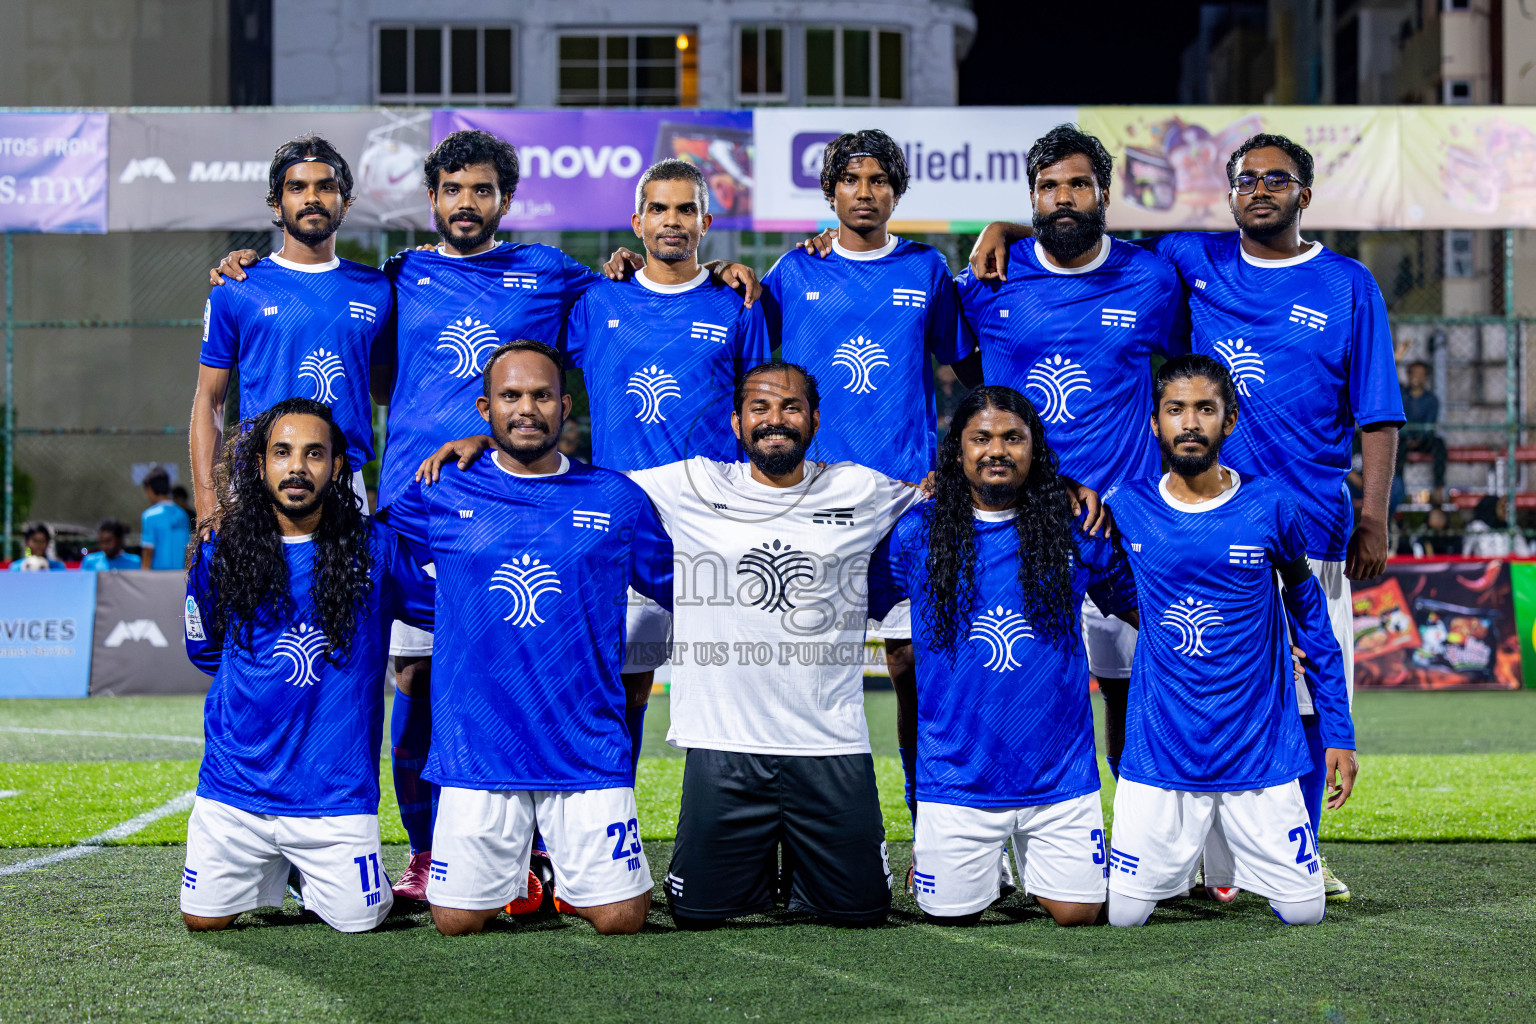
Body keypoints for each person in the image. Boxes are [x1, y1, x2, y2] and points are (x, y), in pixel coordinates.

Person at [209, 129, 760, 903]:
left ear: (505, 200)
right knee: (412, 673)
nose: (466, 204)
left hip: (525, 510)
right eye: (452, 191)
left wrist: (699, 269)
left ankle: (561, 851)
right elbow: (338, 317)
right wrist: (245, 265)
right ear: (431, 200)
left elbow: (628, 292)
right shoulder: (397, 278)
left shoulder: (550, 273)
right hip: (411, 508)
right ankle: (428, 853)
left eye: (481, 191)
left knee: (566, 676)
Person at [970, 132, 1403, 902]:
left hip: (1303, 523)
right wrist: (1002, 229)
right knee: (1106, 686)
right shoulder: (1190, 262)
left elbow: (1377, 412)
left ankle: (1292, 854)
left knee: (1293, 692)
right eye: (1247, 179)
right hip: (1153, 523)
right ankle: (1142, 854)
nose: (1260, 189)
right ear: (1229, 192)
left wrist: (1374, 515)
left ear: (1306, 192)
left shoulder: (1341, 283)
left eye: (1278, 179)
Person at [379, 340, 672, 937]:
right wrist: (451, 613)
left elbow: (675, 583)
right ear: (485, 410)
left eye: (541, 395)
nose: (526, 408)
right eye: (510, 396)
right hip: (477, 748)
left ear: (565, 406)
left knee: (621, 920)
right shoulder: (440, 488)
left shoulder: (616, 497)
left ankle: (558, 872)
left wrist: (647, 661)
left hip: (583, 743)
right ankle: (524, 872)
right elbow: (379, 553)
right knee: (456, 921)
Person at [953, 124, 1185, 785]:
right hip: (1022, 527)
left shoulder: (1152, 279)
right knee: (1015, 696)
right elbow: (963, 367)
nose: (1063, 198)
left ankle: (1166, 842)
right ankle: (1002, 838)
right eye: (1048, 187)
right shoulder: (987, 281)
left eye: (1077, 184)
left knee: (1144, 691)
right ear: (1031, 197)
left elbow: (1191, 368)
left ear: (1104, 192)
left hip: (1127, 525)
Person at [767, 129, 982, 835]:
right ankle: (812, 836)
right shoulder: (791, 273)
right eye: (852, 180)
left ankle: (934, 831)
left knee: (915, 667)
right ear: (830, 192)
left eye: (879, 180)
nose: (866, 192)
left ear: (896, 191)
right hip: (814, 502)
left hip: (906, 503)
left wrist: (956, 464)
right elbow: (737, 355)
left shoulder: (926, 269)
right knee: (807, 676)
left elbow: (970, 373)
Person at [1102, 355, 1356, 928]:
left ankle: (1233, 869)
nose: (1189, 423)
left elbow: (1310, 615)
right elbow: (1111, 589)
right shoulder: (1127, 508)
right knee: (1123, 917)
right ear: (1154, 422)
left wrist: (1339, 729)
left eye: (1205, 409)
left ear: (1230, 421)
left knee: (1304, 911)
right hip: (1162, 752)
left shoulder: (1270, 503)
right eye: (1175, 410)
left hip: (1258, 749)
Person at [870, 385, 1137, 927]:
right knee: (948, 916)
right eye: (981, 438)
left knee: (1079, 914)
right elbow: (858, 600)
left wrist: (1260, 643)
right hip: (957, 779)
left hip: (1057, 778)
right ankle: (975, 858)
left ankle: (1033, 861)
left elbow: (1143, 607)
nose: (997, 450)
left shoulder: (1075, 526)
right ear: (958, 451)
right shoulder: (918, 533)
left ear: (1034, 447)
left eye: (1013, 437)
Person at [181, 398, 434, 933]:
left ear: (338, 467)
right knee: (203, 920)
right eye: (283, 452)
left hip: (334, 796)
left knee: (360, 920)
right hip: (235, 788)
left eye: (314, 454)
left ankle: (308, 871)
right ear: (260, 465)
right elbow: (204, 648)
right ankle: (282, 865)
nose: (297, 467)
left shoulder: (378, 549)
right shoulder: (218, 549)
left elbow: (446, 614)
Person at [192, 135, 390, 524]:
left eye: (326, 187)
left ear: (345, 202)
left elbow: (386, 392)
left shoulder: (379, 288)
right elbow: (210, 402)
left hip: (342, 483)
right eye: (297, 187)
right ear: (277, 203)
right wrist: (206, 507)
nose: (311, 197)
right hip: (257, 482)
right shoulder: (237, 285)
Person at [1396, 361, 1447, 500]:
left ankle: (1438, 488)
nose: (1417, 377)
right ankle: (1396, 485)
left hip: (1423, 440)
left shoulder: (1431, 400)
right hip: (1403, 439)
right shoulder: (1401, 395)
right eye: (1414, 373)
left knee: (1439, 445)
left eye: (1421, 374)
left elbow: (1430, 424)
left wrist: (1420, 438)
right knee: (1395, 447)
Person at [141, 468, 191, 571]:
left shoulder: (149, 516)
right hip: (180, 575)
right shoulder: (182, 514)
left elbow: (148, 550)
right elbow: (188, 550)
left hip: (157, 576)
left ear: (149, 489)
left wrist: (144, 576)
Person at [1462, 495, 1531, 557]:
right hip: (1482, 568)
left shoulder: (1512, 529)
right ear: (1492, 507)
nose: (1505, 511)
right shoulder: (1476, 527)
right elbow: (1465, 554)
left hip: (1505, 568)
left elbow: (1525, 555)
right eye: (1502, 507)